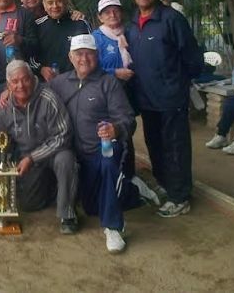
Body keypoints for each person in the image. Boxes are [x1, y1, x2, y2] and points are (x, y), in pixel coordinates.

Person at [49, 34, 160, 253]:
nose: (84, 58)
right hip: (77, 154)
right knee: (91, 208)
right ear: (70, 57)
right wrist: (7, 91)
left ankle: (113, 227)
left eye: (89, 53)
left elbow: (127, 119)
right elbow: (35, 93)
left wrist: (115, 129)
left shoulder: (109, 83)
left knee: (109, 164)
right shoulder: (59, 83)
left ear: (97, 56)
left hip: (103, 150)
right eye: (79, 54)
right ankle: (132, 190)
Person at [125, 0, 204, 218]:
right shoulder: (132, 24)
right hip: (147, 101)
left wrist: (179, 84)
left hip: (171, 99)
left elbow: (192, 59)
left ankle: (180, 197)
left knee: (176, 147)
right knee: (155, 145)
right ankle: (167, 186)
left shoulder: (172, 19)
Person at [0, 60, 78, 234]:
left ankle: (68, 214)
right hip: (27, 158)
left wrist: (32, 157)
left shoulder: (48, 98)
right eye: (14, 82)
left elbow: (64, 135)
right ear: (8, 85)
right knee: (29, 205)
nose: (21, 85)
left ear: (33, 79)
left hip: (53, 152)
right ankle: (54, 188)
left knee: (66, 160)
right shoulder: (4, 106)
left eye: (25, 79)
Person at [91, 0, 137, 178]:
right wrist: (115, 73)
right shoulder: (97, 38)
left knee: (128, 130)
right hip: (107, 92)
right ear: (100, 17)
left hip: (130, 90)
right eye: (107, 12)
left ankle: (130, 175)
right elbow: (91, 66)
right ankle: (112, 175)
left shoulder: (130, 33)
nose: (112, 14)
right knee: (110, 131)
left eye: (115, 10)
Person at [34, 0, 91, 82]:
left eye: (59, 1)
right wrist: (40, 69)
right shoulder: (37, 26)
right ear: (44, 5)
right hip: (47, 83)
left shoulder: (79, 23)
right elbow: (29, 55)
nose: (55, 6)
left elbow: (92, 53)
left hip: (77, 82)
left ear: (65, 2)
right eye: (50, 3)